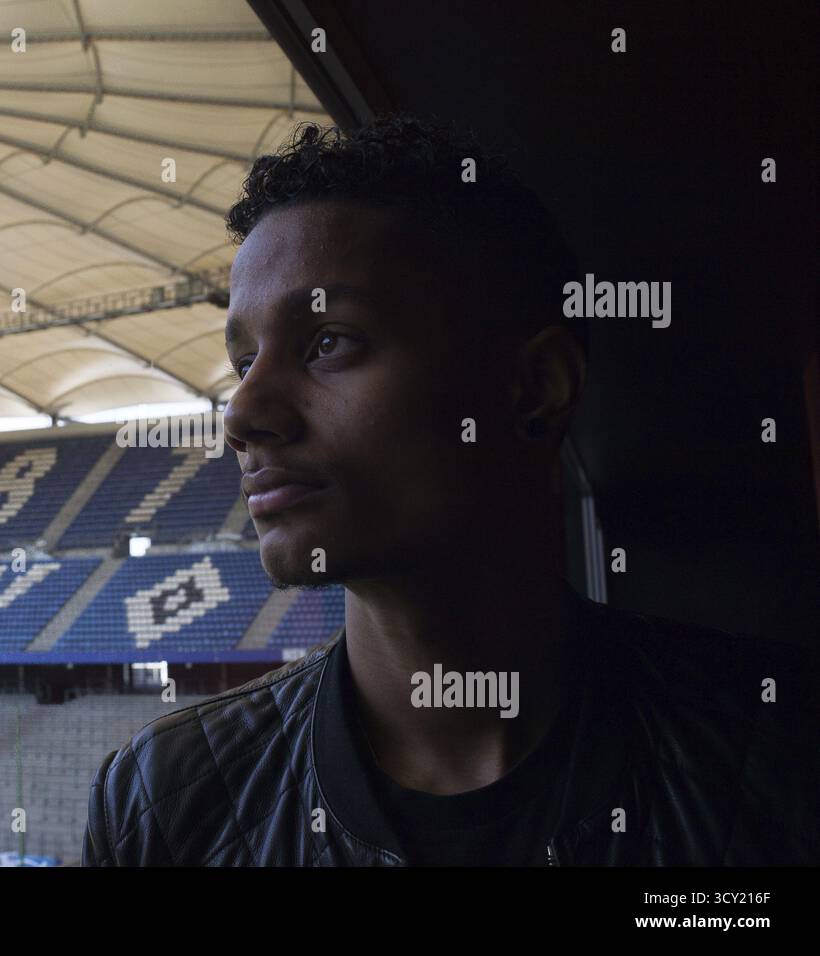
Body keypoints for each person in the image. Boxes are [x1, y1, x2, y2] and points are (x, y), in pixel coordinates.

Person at [82, 115, 818, 866]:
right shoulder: (161, 803)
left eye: (328, 342)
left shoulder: (785, 756)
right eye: (243, 364)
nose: (241, 416)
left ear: (535, 390)